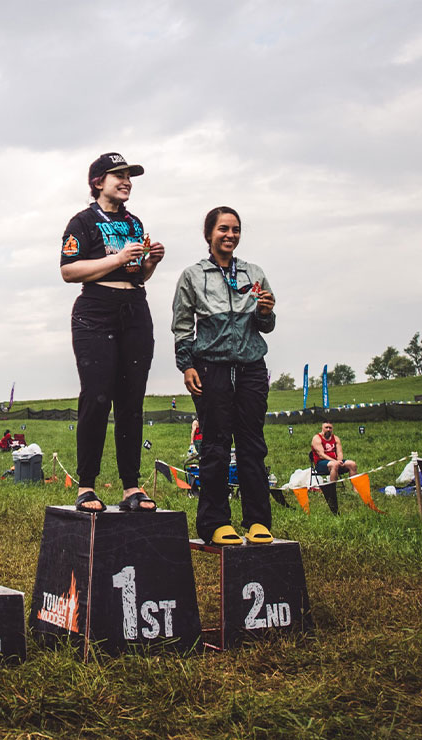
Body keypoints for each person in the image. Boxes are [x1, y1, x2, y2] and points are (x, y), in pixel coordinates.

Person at [60, 152, 165, 513]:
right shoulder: (82, 222)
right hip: (95, 312)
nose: (126, 181)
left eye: (129, 176)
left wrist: (148, 262)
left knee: (131, 401)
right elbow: (69, 271)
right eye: (118, 175)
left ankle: (131, 488)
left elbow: (136, 274)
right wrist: (118, 258)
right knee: (97, 397)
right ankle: (86, 487)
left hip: (135, 309)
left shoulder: (135, 222)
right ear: (97, 182)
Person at [172, 206, 276, 546]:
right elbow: (183, 325)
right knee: (214, 445)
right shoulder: (192, 276)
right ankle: (215, 523)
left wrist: (265, 311)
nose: (230, 235)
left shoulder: (254, 272)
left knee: (253, 444)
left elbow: (267, 325)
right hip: (210, 367)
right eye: (223, 229)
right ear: (209, 235)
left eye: (235, 229)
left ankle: (258, 521)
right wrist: (186, 365)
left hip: (251, 367)